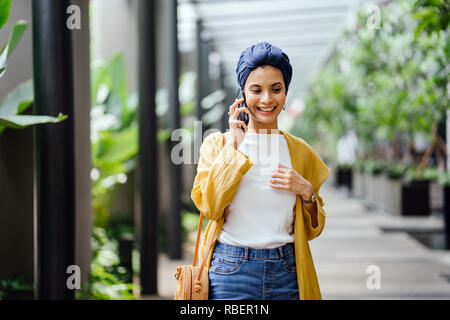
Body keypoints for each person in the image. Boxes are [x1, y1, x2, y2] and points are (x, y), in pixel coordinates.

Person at [191, 42, 330, 300]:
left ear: (286, 93)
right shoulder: (218, 144)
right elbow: (209, 207)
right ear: (242, 94)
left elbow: (313, 229)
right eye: (256, 90)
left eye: (276, 89)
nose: (267, 99)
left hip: (288, 270)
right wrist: (233, 146)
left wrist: (307, 192)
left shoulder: (300, 152)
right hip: (231, 271)